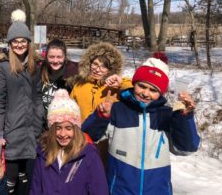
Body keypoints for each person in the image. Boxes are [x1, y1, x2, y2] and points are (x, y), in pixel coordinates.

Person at [82, 57, 200, 195]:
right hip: (120, 190)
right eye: (142, 86)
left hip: (157, 190)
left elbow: (187, 149)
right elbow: (86, 137)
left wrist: (184, 118)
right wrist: (101, 117)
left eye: (153, 90)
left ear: (161, 93)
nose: (145, 93)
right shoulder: (118, 110)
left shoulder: (166, 115)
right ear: (134, 84)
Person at [0, 9, 44, 195]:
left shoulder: (35, 66)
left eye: (23, 41)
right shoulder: (3, 67)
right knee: (10, 180)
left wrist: (38, 123)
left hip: (31, 131)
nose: (19, 44)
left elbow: (38, 98)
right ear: (10, 43)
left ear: (28, 43)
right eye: (15, 41)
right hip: (11, 132)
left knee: (27, 179)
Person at [30, 89, 108, 195]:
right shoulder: (43, 153)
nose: (63, 134)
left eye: (68, 128)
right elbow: (36, 188)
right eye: (58, 128)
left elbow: (99, 190)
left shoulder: (89, 155)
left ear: (76, 129)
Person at [39, 38, 78, 128]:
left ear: (65, 57)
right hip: (43, 127)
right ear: (46, 57)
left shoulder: (73, 74)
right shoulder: (39, 72)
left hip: (64, 127)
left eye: (59, 57)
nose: (55, 61)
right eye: (51, 57)